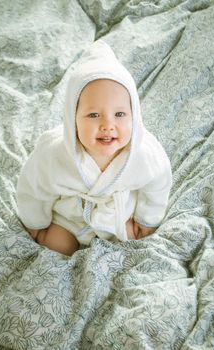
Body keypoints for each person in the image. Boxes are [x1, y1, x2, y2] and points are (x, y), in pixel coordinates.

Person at [16, 40, 172, 256]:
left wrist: (147, 219)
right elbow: (33, 187)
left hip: (118, 215)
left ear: (134, 116)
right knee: (57, 247)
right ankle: (52, 238)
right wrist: (35, 221)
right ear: (73, 118)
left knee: (132, 244)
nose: (107, 125)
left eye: (119, 114)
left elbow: (158, 184)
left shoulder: (144, 153)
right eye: (93, 115)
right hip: (69, 220)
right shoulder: (53, 153)